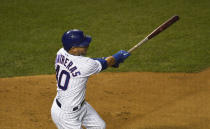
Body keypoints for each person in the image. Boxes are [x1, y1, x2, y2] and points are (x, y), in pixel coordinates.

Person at [51, 29, 130, 129]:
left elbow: (90, 62)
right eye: (83, 44)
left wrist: (108, 60)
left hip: (80, 106)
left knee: (99, 126)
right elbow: (105, 63)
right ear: (74, 48)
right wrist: (118, 56)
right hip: (66, 116)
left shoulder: (61, 52)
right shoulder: (85, 65)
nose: (87, 45)